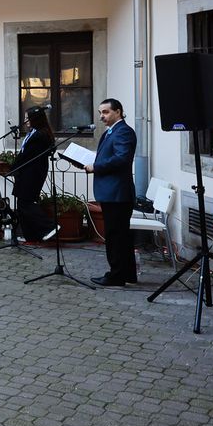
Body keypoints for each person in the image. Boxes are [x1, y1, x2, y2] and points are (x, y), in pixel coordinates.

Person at [85, 98, 138, 286]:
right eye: (100, 112)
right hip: (112, 192)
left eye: (106, 112)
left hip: (117, 193)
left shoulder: (123, 131)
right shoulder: (111, 132)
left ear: (118, 111)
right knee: (120, 235)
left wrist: (96, 167)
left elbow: (122, 159)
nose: (102, 116)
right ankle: (127, 274)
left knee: (116, 236)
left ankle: (116, 275)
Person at [11, 106, 57, 242]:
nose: (25, 121)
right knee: (22, 203)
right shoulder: (34, 133)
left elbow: (27, 155)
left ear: (35, 119)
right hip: (27, 172)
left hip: (32, 173)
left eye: (27, 118)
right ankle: (30, 235)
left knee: (26, 203)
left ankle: (49, 227)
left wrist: (13, 167)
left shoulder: (40, 135)